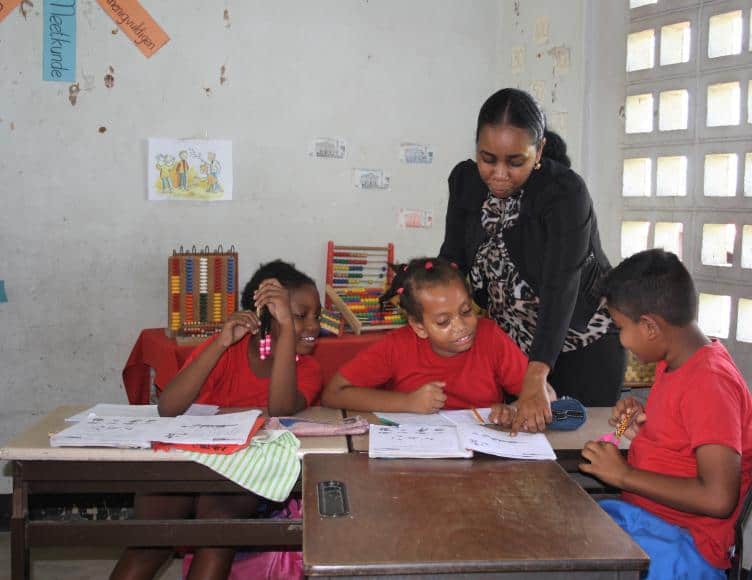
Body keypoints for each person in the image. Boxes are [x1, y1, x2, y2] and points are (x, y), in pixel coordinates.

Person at [110, 259, 322, 580]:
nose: (313, 326)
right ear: (266, 317)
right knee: (148, 544)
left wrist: (288, 332)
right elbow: (168, 407)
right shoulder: (227, 349)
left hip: (241, 470)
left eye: (316, 316)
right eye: (298, 316)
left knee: (216, 537)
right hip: (186, 460)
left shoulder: (307, 369)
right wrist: (221, 342)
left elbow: (279, 407)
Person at [439, 87, 624, 434]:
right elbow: (453, 260)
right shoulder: (465, 182)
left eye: (515, 161)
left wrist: (537, 373)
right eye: (488, 158)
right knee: (517, 446)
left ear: (538, 151)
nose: (499, 174)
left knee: (575, 451)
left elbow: (561, 285)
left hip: (581, 343)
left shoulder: (563, 194)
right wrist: (427, 290)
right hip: (516, 350)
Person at [579, 249, 752, 579]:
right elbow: (684, 431)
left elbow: (719, 497)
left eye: (620, 327)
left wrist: (623, 476)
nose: (621, 339)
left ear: (650, 326)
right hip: (646, 518)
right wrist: (642, 419)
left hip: (684, 544)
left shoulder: (710, 382)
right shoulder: (676, 362)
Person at [321, 257, 545, 426]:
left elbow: (546, 393)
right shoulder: (396, 346)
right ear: (419, 327)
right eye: (443, 321)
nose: (460, 326)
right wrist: (408, 403)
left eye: (466, 311)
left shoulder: (490, 336)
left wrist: (513, 409)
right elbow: (334, 393)